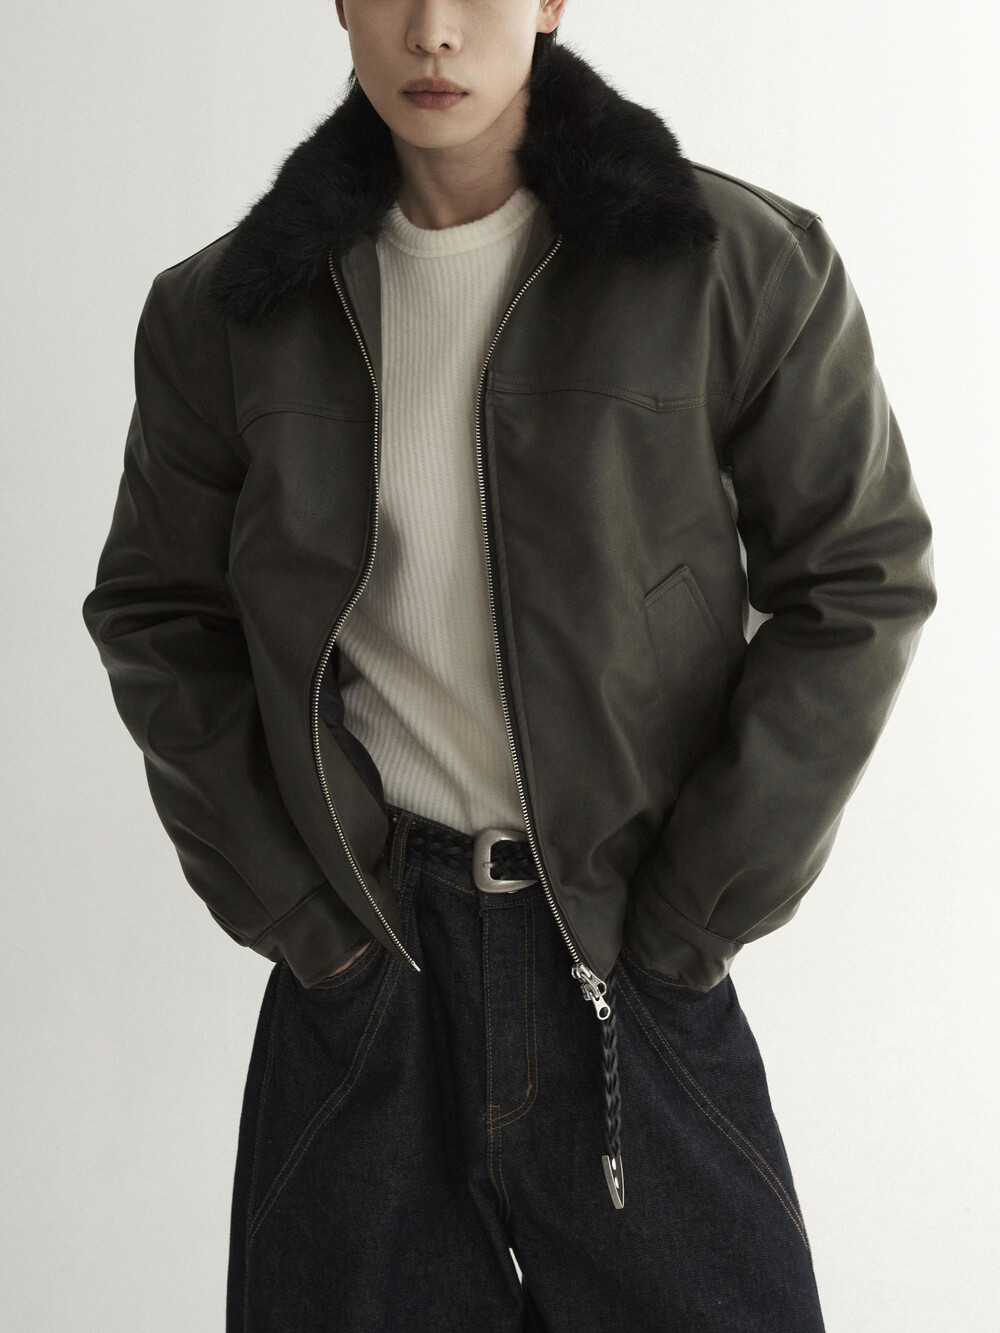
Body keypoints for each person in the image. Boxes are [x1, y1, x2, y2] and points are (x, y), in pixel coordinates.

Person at [80, 0, 936, 1328]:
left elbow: (858, 578)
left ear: (549, 2)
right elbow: (159, 614)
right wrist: (310, 928)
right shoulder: (226, 311)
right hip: (371, 966)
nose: (434, 31)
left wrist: (690, 922)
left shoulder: (737, 265)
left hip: (627, 951)